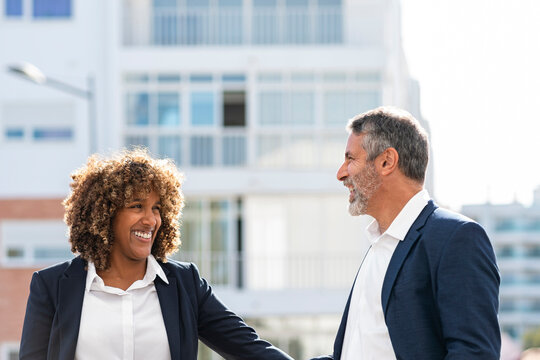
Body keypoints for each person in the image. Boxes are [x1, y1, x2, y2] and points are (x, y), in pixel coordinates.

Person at [19, 148, 293, 360]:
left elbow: (252, 350)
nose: (151, 220)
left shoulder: (185, 284)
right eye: (137, 206)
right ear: (105, 214)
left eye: (157, 208)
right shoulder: (52, 287)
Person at [312, 106, 500, 359]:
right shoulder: (377, 247)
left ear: (387, 161)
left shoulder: (456, 238)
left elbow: (474, 354)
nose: (341, 173)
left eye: (351, 159)